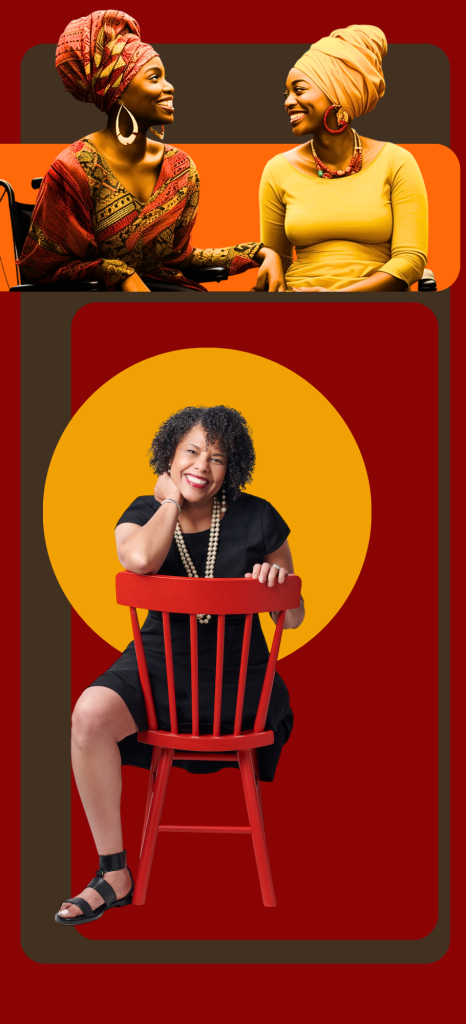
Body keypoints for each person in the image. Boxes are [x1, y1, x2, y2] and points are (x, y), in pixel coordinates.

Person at [55, 405, 305, 925]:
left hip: (240, 678)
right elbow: (141, 561)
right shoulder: (141, 510)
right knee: (88, 715)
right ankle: (113, 873)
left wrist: (273, 587)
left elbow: (296, 615)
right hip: (159, 664)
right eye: (191, 451)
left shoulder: (258, 516)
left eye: (217, 458)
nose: (202, 467)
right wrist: (167, 501)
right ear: (168, 455)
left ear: (230, 468)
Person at [18, 10, 283, 292]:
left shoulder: (180, 168)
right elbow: (41, 271)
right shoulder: (74, 169)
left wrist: (262, 254)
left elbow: (179, 259)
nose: (169, 87)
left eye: (165, 77)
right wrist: (119, 274)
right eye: (154, 78)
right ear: (117, 90)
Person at [257, 25, 428, 293]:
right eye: (286, 94)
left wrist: (340, 298)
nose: (288, 102)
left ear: (338, 93)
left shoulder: (397, 161)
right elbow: (278, 258)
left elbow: (411, 260)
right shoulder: (278, 169)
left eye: (299, 90)